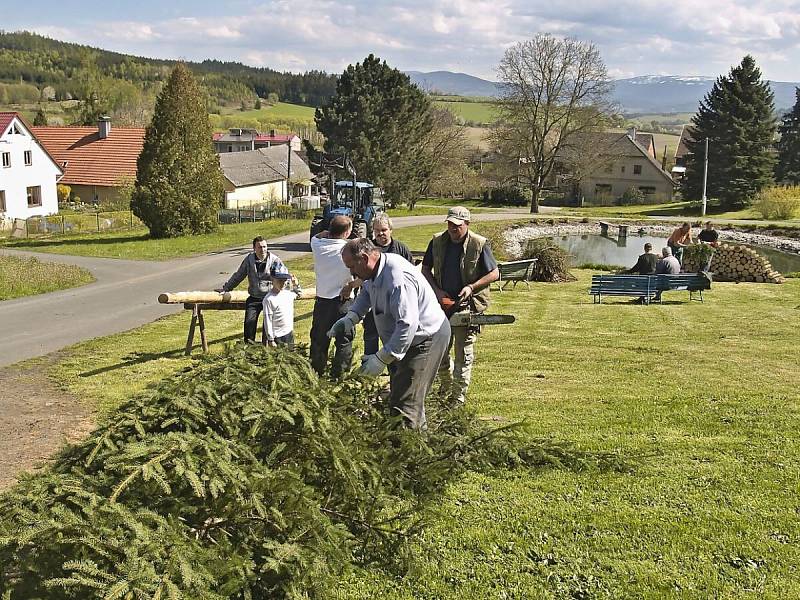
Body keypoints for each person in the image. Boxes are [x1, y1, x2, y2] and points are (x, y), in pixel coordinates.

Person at [329, 238, 450, 430]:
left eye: (352, 266)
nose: (351, 272)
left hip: (426, 339)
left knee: (406, 404)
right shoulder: (375, 272)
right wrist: (351, 317)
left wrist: (381, 359)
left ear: (365, 258)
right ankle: (414, 443)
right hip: (404, 341)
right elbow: (367, 294)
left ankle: (412, 452)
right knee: (399, 396)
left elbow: (407, 324)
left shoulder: (397, 278)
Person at [421, 206, 500, 405]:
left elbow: (494, 273)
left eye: (457, 226)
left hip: (468, 306)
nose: (453, 229)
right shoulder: (437, 241)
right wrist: (437, 292)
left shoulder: (479, 243)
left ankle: (457, 398)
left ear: (467, 224)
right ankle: (444, 388)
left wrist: (471, 287)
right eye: (450, 224)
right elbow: (425, 269)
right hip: (441, 307)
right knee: (438, 354)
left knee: (463, 355)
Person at [340, 215, 414, 355]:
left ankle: (393, 359)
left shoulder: (401, 249)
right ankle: (369, 364)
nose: (380, 233)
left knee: (395, 332)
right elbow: (361, 277)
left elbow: (411, 273)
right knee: (371, 336)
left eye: (384, 230)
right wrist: (352, 285)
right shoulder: (367, 248)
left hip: (396, 302)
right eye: (377, 230)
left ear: (390, 230)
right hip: (373, 301)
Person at [310, 215, 355, 378]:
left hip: (322, 301)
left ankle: (316, 372)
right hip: (343, 301)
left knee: (319, 340)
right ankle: (340, 375)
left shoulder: (316, 245)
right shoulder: (349, 249)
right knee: (344, 340)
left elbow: (316, 236)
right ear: (347, 232)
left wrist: (326, 232)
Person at [217, 236, 285, 344]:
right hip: (254, 297)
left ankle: (266, 349)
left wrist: (283, 294)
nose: (262, 249)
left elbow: (283, 278)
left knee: (268, 326)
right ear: (254, 248)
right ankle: (249, 348)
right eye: (259, 247)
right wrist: (226, 288)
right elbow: (239, 275)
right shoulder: (249, 260)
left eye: (264, 247)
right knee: (249, 322)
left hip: (270, 298)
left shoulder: (275, 260)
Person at [262, 264, 302, 350]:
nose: (282, 283)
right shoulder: (269, 299)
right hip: (277, 336)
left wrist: (296, 284)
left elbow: (298, 294)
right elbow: (267, 320)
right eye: (279, 280)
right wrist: (270, 339)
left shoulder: (288, 294)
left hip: (289, 332)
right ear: (272, 279)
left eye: (284, 280)